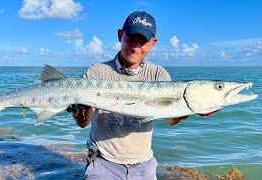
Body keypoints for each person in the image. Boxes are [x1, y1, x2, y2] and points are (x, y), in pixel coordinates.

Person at [67, 11, 187, 180]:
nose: (135, 47)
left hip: (144, 165)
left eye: (143, 41)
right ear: (120, 35)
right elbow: (83, 123)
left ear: (153, 42)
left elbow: (170, 120)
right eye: (131, 38)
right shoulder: (97, 72)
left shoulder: (158, 75)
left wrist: (189, 106)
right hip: (102, 162)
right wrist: (77, 108)